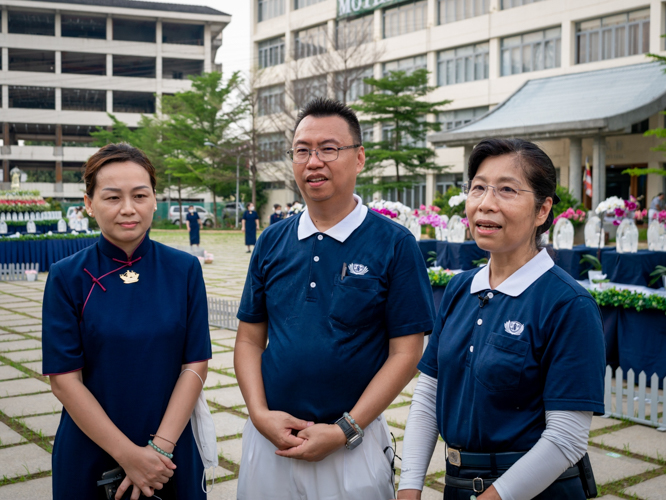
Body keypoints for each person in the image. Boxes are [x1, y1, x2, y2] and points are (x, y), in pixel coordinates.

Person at [234, 98, 435, 500]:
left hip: (351, 445)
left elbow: (406, 353)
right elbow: (249, 340)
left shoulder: (394, 244)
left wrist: (346, 428)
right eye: (302, 150)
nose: (313, 161)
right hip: (271, 439)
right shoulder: (272, 241)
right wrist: (258, 413)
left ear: (359, 158)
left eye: (329, 149)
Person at [397, 139, 606, 500]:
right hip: (459, 485)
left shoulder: (568, 304)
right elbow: (428, 395)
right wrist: (410, 487)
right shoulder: (460, 289)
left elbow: (566, 438)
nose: (485, 203)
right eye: (478, 187)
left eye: (507, 190)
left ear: (543, 210)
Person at [42, 143, 211, 500]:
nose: (128, 209)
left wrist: (159, 450)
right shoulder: (66, 276)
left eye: (139, 195)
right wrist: (129, 455)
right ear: (88, 204)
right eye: (112, 197)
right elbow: (63, 381)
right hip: (92, 447)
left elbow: (195, 363)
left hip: (170, 450)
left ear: (154, 199)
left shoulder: (184, 270)